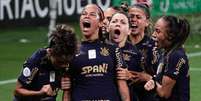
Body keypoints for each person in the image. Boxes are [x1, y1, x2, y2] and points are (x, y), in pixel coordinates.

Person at [63, 4, 130, 101]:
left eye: (92, 14)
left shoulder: (113, 49)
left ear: (101, 23)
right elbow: (67, 89)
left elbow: (122, 86)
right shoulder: (71, 51)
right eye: (84, 14)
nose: (87, 16)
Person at [13, 24, 77, 101]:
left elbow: (67, 92)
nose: (63, 65)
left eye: (66, 62)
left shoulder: (67, 61)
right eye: (59, 62)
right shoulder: (36, 61)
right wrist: (40, 93)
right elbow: (17, 91)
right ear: (50, 52)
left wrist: (67, 89)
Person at [144, 15, 190, 101]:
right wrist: (153, 81)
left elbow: (164, 93)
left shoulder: (175, 56)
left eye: (158, 31)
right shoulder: (166, 52)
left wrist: (147, 78)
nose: (153, 35)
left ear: (170, 35)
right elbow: (159, 80)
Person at [108, 11, 143, 101]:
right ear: (108, 27)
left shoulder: (135, 53)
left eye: (123, 22)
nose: (118, 25)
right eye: (114, 21)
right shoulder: (99, 48)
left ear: (129, 31)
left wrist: (130, 75)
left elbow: (147, 78)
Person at [127, 3, 159, 101]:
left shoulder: (154, 46)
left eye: (138, 17)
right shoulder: (119, 44)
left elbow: (162, 76)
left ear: (147, 22)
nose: (133, 19)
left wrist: (147, 77)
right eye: (131, 16)